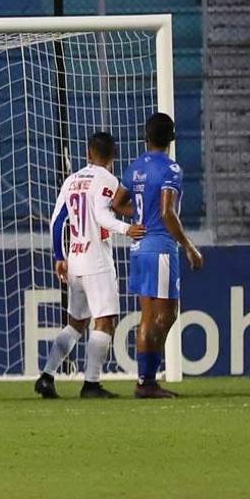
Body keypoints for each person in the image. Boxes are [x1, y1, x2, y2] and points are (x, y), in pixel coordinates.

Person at [35, 132, 145, 400]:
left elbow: (57, 221)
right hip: (96, 261)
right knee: (105, 320)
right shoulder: (107, 180)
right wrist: (127, 228)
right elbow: (100, 215)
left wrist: (60, 256)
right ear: (113, 157)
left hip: (74, 259)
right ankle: (91, 384)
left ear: (88, 153)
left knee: (76, 324)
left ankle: (47, 376)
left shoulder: (72, 180)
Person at [115, 113, 203, 399]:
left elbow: (116, 203)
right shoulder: (171, 169)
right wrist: (189, 246)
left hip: (139, 249)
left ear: (145, 137)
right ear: (171, 139)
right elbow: (167, 212)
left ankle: (144, 381)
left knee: (148, 317)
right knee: (166, 316)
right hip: (161, 248)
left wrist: (138, 217)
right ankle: (148, 381)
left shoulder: (135, 166)